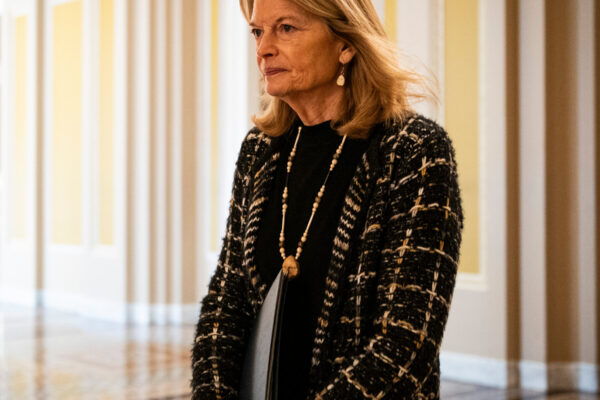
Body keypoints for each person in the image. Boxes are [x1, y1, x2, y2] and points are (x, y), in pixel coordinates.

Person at [191, 0, 463, 398]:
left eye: (286, 28)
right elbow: (226, 301)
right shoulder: (260, 150)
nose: (263, 48)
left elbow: (406, 342)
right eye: (258, 31)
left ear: (346, 44)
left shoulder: (414, 150)